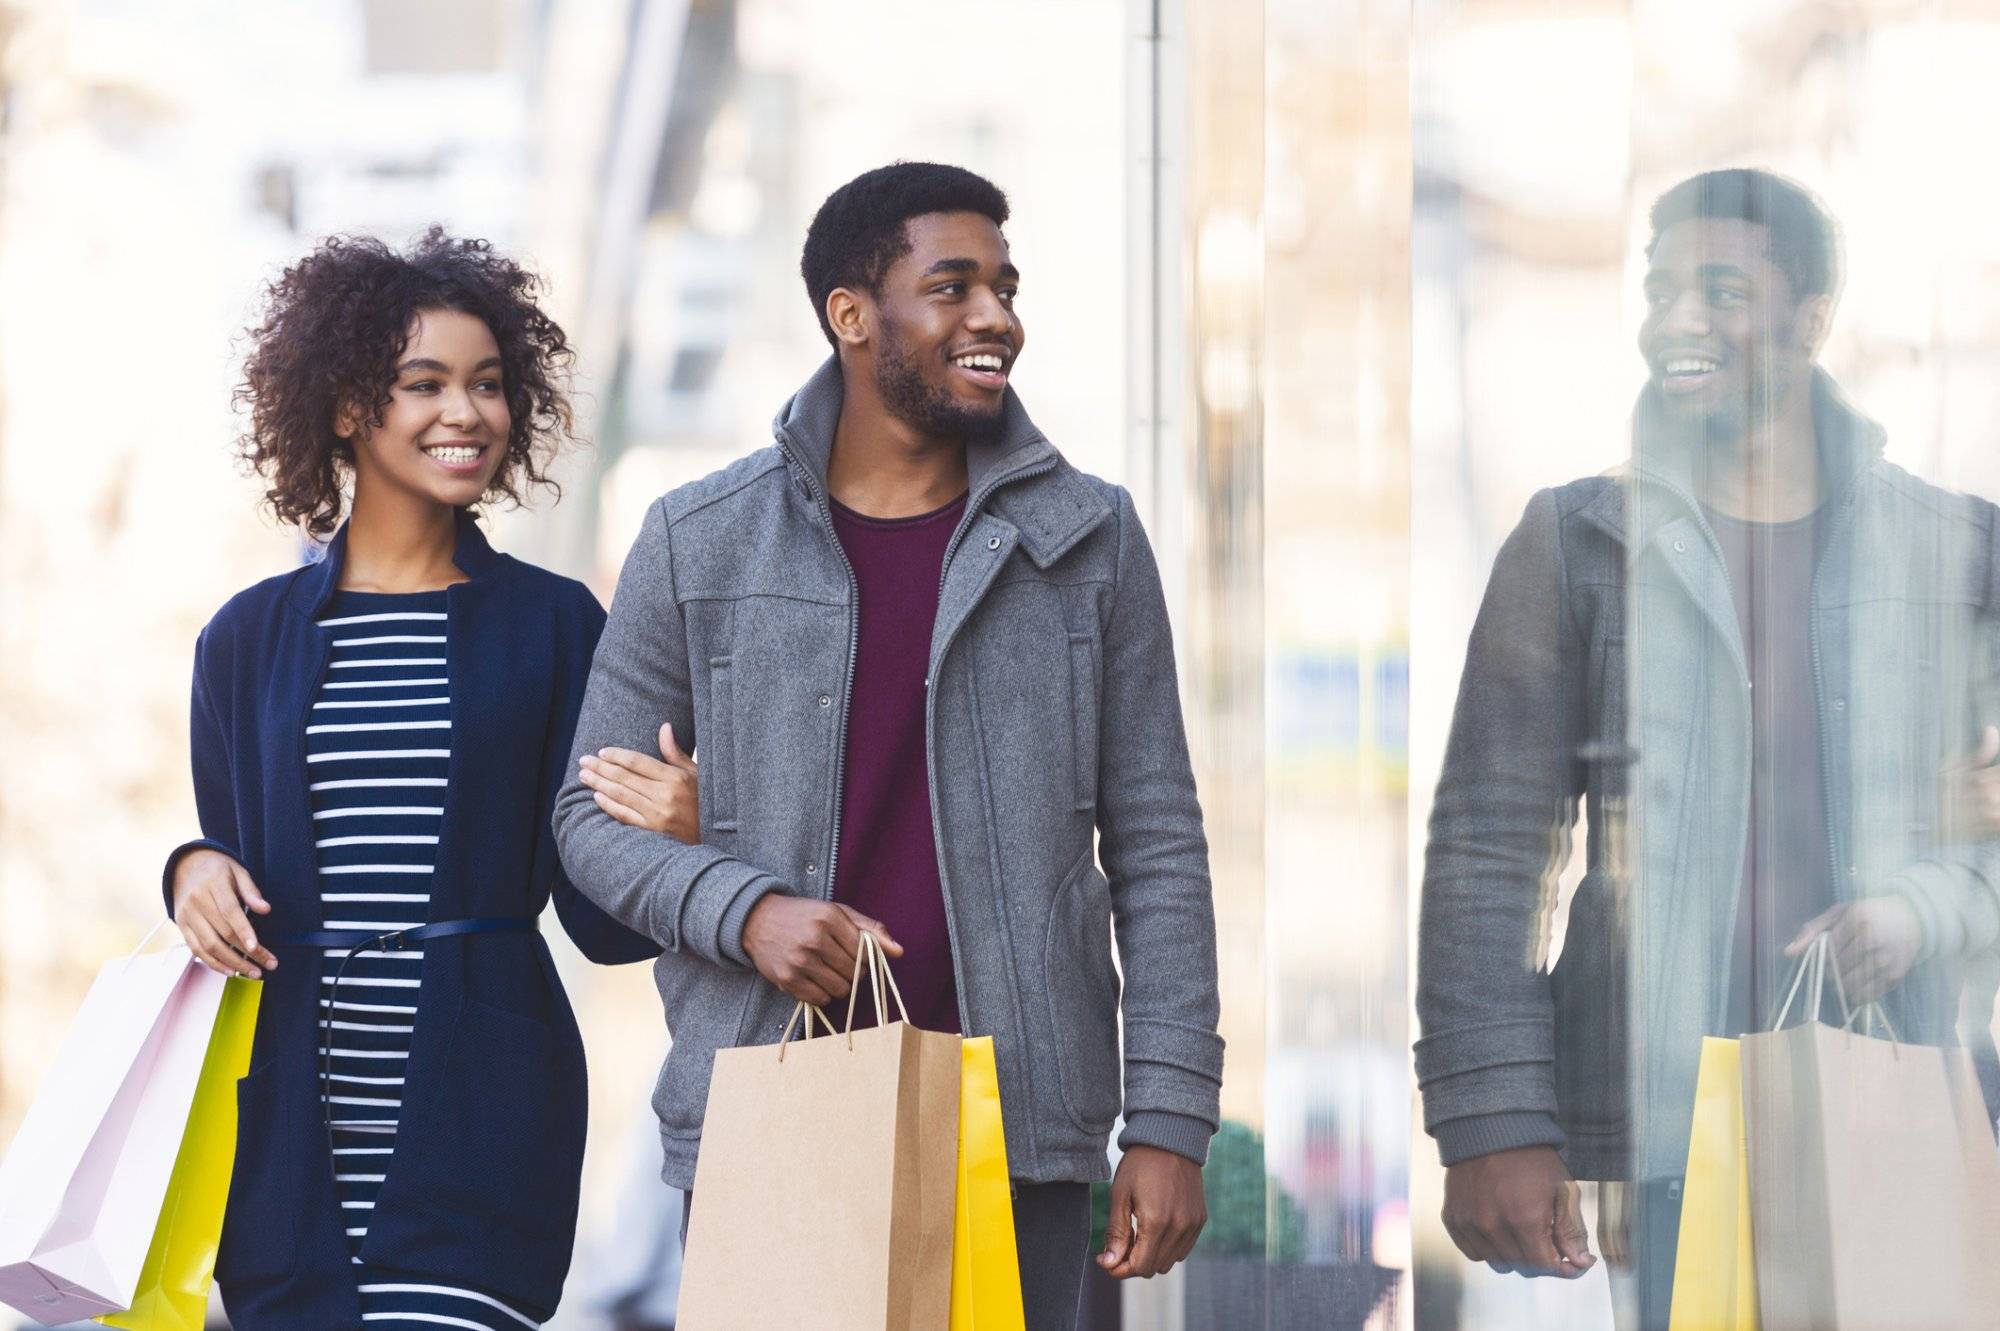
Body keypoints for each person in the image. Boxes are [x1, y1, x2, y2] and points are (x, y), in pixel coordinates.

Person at [554, 161, 1224, 1325]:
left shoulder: (1087, 537)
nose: (995, 317)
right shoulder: (698, 539)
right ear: (852, 315)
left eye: (1004, 288)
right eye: (951, 286)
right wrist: (744, 909)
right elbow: (584, 823)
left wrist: (1167, 1119)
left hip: (1020, 1128)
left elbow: (1158, 844)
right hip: (773, 1110)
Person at [1415, 168, 2000, 1326]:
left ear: (1811, 317)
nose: (1677, 318)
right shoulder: (1574, 540)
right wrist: (1490, 1116)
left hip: (1912, 1092)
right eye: (1660, 288)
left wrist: (1938, 878)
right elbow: (1487, 849)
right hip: (1665, 1120)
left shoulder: (1956, 550)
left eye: (1720, 288)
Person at [162, 230, 678, 1330]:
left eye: (489, 384)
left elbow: (602, 921)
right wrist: (190, 867)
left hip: (479, 1110)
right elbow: (235, 866)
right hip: (286, 1128)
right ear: (347, 406)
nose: (469, 412)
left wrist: (671, 834)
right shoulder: (244, 640)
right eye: (426, 383)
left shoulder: (555, 626)